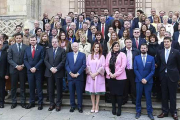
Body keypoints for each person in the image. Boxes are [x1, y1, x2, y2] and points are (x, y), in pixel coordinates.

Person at [156, 37, 180, 120]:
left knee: (172, 95)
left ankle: (174, 112)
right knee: (164, 95)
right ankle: (165, 111)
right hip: (163, 76)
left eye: (167, 42)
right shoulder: (160, 52)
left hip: (173, 76)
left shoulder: (176, 52)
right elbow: (158, 63)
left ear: (171, 42)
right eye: (164, 42)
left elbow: (179, 64)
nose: (166, 43)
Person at [134, 43, 155, 120]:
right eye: (142, 48)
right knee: (138, 97)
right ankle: (138, 111)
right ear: (140, 49)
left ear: (147, 49)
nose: (143, 49)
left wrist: (146, 79)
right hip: (139, 81)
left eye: (144, 48)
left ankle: (150, 112)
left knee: (148, 97)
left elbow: (153, 71)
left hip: (148, 81)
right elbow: (135, 69)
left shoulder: (151, 58)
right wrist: (141, 79)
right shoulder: (136, 58)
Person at [44, 38, 66, 112]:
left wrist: (56, 69)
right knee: (50, 89)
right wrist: (51, 68)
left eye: (55, 42)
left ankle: (58, 104)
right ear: (51, 43)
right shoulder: (48, 50)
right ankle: (51, 103)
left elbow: (63, 61)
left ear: (58, 42)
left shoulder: (62, 50)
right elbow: (45, 60)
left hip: (58, 72)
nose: (54, 43)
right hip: (50, 72)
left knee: (59, 89)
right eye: (53, 42)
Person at [105, 42, 127, 116]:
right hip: (110, 77)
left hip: (120, 78)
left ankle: (119, 108)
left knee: (119, 94)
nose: (116, 47)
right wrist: (109, 73)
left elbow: (123, 66)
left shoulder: (122, 55)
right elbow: (106, 65)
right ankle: (113, 107)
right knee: (112, 94)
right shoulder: (109, 54)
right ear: (112, 47)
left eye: (118, 46)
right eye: (115, 46)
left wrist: (115, 74)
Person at [24, 35, 44, 110]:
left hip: (38, 71)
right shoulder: (27, 49)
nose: (32, 41)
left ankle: (40, 103)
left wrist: (35, 67)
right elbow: (25, 60)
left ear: (36, 41)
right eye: (31, 40)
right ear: (29, 41)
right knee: (31, 87)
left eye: (34, 40)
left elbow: (42, 59)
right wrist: (30, 68)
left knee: (39, 87)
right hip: (30, 71)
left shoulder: (41, 48)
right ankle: (31, 102)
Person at [8, 33, 28, 109]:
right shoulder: (11, 47)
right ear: (15, 39)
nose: (18, 39)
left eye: (20, 38)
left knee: (22, 86)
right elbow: (9, 59)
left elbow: (27, 58)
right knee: (13, 87)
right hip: (14, 70)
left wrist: (22, 65)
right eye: (17, 38)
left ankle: (23, 102)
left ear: (22, 38)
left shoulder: (26, 47)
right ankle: (14, 102)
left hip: (23, 69)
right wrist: (16, 66)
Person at [65, 42, 86, 113]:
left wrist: (77, 74)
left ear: (78, 46)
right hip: (70, 77)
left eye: (76, 46)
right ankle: (72, 106)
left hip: (79, 77)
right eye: (73, 46)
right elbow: (66, 65)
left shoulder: (83, 55)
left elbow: (83, 65)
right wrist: (70, 73)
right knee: (71, 92)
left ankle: (80, 106)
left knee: (79, 93)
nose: (75, 47)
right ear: (71, 47)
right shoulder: (68, 55)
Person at [85, 42, 106, 113]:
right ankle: (93, 105)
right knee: (92, 92)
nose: (96, 48)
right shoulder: (89, 56)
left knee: (98, 92)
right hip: (91, 76)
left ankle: (97, 105)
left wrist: (96, 74)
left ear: (99, 48)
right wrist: (91, 74)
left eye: (98, 47)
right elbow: (87, 66)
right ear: (93, 48)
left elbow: (103, 66)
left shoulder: (102, 56)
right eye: (95, 47)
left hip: (99, 76)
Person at [121, 38, 140, 105]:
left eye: (130, 42)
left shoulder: (136, 51)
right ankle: (124, 99)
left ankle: (134, 99)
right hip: (124, 71)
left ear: (132, 43)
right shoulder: (122, 51)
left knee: (133, 86)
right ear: (125, 43)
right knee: (125, 86)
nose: (128, 43)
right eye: (127, 42)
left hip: (133, 71)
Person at [147, 34, 161, 99]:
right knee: (151, 79)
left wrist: (157, 63)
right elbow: (147, 56)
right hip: (150, 64)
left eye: (153, 38)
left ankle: (158, 94)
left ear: (155, 38)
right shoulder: (148, 46)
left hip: (158, 65)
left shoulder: (159, 46)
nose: (152, 39)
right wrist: (153, 64)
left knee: (158, 79)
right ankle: (152, 91)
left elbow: (161, 55)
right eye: (151, 38)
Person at [0, 40, 9, 108]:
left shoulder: (5, 53)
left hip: (2, 74)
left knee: (2, 89)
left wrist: (7, 74)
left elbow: (7, 65)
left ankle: (1, 102)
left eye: (0, 45)